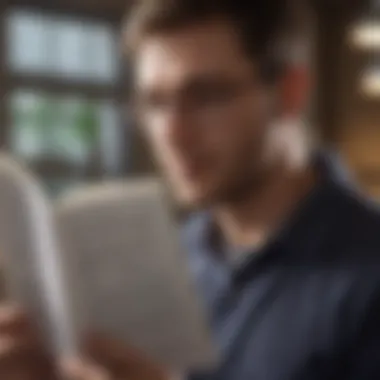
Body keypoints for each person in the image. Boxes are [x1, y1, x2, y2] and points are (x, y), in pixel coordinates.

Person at [2, 0, 380, 379]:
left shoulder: (367, 273)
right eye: (155, 102)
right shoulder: (175, 256)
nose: (172, 133)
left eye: (206, 96)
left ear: (289, 94)